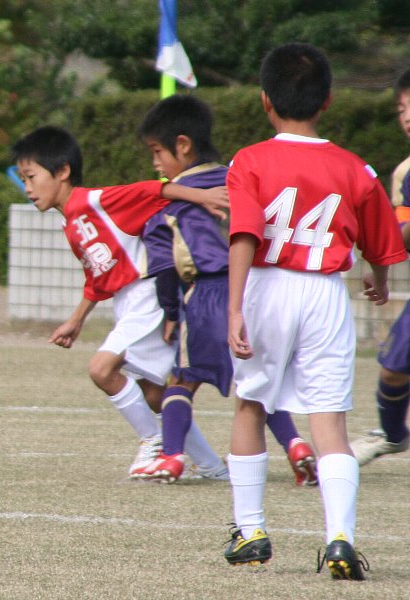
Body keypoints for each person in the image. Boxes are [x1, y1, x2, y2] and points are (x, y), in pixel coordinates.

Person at [223, 43, 406, 580]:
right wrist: (380, 280)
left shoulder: (249, 160)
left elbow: (244, 234)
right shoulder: (355, 168)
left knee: (251, 404)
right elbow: (383, 245)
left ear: (265, 100)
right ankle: (340, 539)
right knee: (329, 420)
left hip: (266, 286)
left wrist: (234, 308)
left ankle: (251, 531)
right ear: (327, 100)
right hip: (326, 293)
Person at [10, 125, 230, 481]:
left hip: (147, 294)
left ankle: (154, 441)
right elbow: (98, 279)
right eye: (23, 179)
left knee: (101, 369)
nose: (27, 188)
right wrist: (76, 320)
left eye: (32, 177)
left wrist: (199, 196)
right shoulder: (71, 223)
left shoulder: (95, 201)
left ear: (62, 171)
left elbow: (151, 189)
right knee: (156, 395)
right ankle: (212, 467)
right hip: (128, 303)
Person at [134, 94, 318, 486]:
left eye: (156, 152)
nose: (155, 164)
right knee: (256, 384)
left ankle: (171, 456)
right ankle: (296, 445)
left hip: (207, 295)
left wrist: (171, 314)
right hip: (254, 290)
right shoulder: (241, 176)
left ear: (183, 145)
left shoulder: (168, 204)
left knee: (181, 381)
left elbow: (165, 270)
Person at [350, 68, 410, 466]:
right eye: (402, 109)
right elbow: (402, 234)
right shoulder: (406, 172)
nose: (406, 116)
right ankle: (392, 435)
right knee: (391, 370)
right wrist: (380, 255)